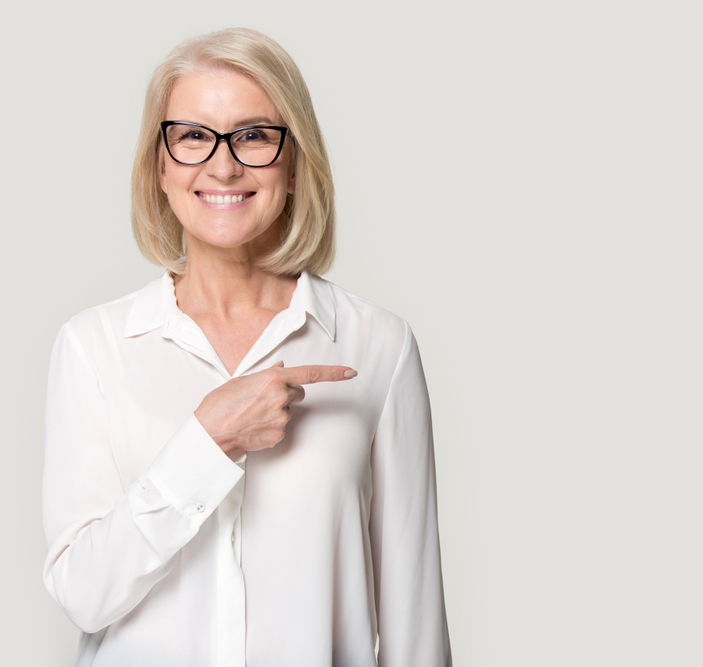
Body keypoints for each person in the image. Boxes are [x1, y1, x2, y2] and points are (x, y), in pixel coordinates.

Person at [41, 27, 451, 667]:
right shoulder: (94, 347)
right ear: (160, 166)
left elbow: (414, 623)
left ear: (294, 164)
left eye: (255, 135)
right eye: (193, 136)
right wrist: (207, 441)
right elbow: (83, 596)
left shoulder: (379, 346)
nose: (224, 164)